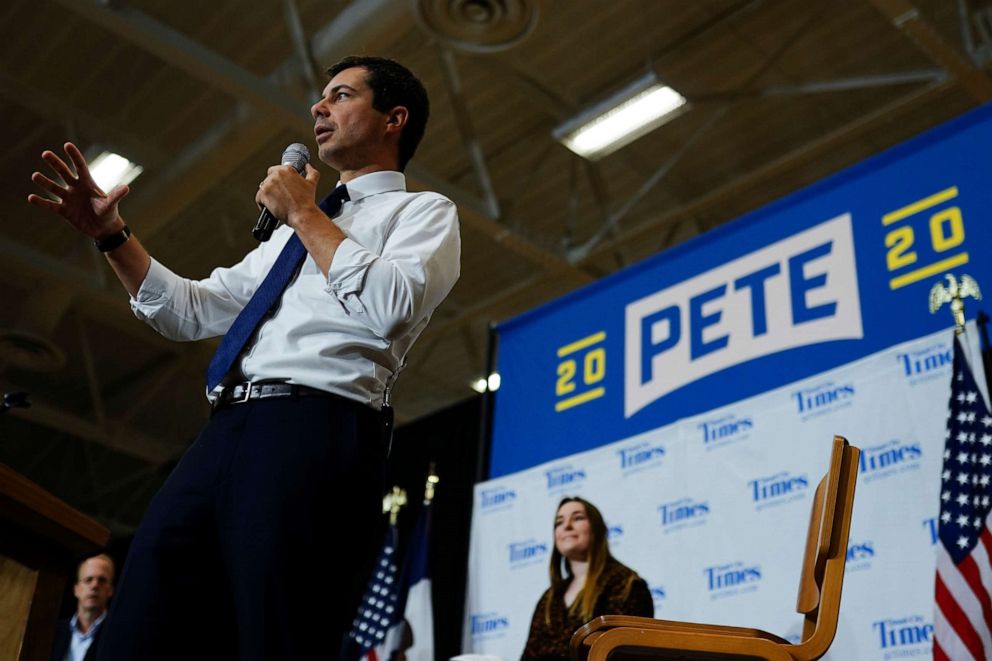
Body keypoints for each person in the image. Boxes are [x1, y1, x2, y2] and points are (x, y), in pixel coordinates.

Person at [28, 56, 460, 660]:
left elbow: (389, 305)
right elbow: (191, 310)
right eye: (320, 98)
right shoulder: (293, 234)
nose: (318, 108)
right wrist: (112, 236)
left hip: (317, 427)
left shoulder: (422, 213)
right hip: (227, 428)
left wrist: (305, 213)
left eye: (340, 95)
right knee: (143, 617)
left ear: (395, 118)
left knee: (275, 630)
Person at [521, 497, 653, 660]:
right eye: (559, 522)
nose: (567, 526)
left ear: (597, 529)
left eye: (577, 518)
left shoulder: (625, 583)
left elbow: (627, 652)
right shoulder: (548, 599)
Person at [50, 554, 115, 661]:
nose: (94, 586)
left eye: (102, 580)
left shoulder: (118, 635)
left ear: (111, 590)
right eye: (88, 580)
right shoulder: (54, 632)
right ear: (76, 589)